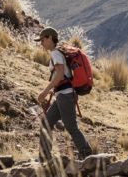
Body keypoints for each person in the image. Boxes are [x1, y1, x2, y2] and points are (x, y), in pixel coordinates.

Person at [36, 27, 94, 162]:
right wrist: (53, 89)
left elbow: (60, 74)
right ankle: (44, 158)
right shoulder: (58, 53)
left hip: (65, 96)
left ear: (50, 37)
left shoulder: (56, 54)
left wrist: (45, 92)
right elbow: (62, 76)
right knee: (46, 123)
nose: (41, 43)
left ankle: (88, 155)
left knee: (71, 127)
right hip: (63, 95)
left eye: (43, 39)